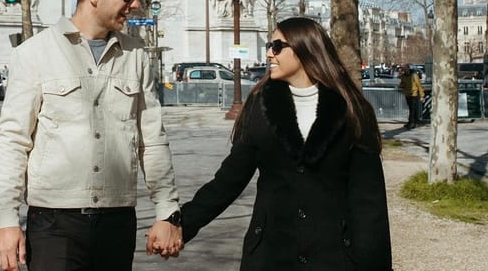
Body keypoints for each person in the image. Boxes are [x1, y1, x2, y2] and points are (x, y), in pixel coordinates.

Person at [149, 17, 392, 270]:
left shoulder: (352, 109)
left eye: (277, 46)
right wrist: (180, 223)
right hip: (269, 256)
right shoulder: (260, 105)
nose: (268, 53)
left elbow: (369, 203)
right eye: (269, 45)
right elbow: (228, 181)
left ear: (304, 49)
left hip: (333, 257)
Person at [0, 0, 183, 271]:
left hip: (118, 220)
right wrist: (6, 220)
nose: (135, 3)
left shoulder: (136, 55)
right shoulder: (34, 53)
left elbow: (151, 139)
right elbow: (13, 140)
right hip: (55, 224)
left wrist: (167, 210)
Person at [399, 64, 424, 129]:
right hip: (407, 94)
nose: (404, 70)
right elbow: (402, 84)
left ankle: (411, 122)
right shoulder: (403, 76)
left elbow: (419, 85)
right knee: (411, 109)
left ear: (408, 68)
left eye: (405, 69)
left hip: (414, 94)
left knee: (412, 109)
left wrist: (422, 95)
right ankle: (415, 121)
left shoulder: (414, 75)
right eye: (403, 69)